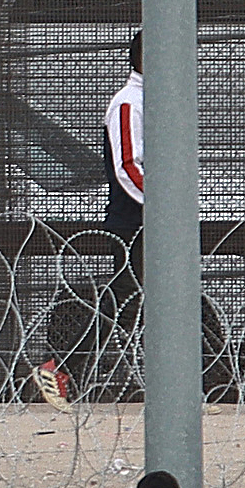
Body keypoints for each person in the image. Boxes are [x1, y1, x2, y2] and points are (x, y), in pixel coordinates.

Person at [102, 34, 146, 327]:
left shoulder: (153, 101)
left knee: (128, 302)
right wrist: (165, 205)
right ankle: (58, 369)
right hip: (134, 223)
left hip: (146, 221)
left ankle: (212, 368)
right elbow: (127, 166)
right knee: (123, 301)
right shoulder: (129, 103)